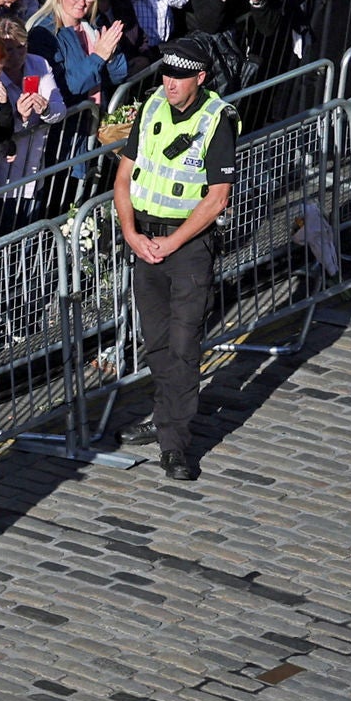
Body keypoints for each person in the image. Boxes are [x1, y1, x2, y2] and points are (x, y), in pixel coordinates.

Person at [112, 48, 235, 481]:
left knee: (184, 344)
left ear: (200, 78)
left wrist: (172, 243)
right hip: (145, 240)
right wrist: (132, 234)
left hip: (188, 246)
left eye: (179, 77)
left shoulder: (217, 118)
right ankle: (166, 418)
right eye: (165, 75)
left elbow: (217, 197)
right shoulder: (151, 106)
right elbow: (124, 177)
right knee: (158, 342)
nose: (169, 83)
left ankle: (175, 445)